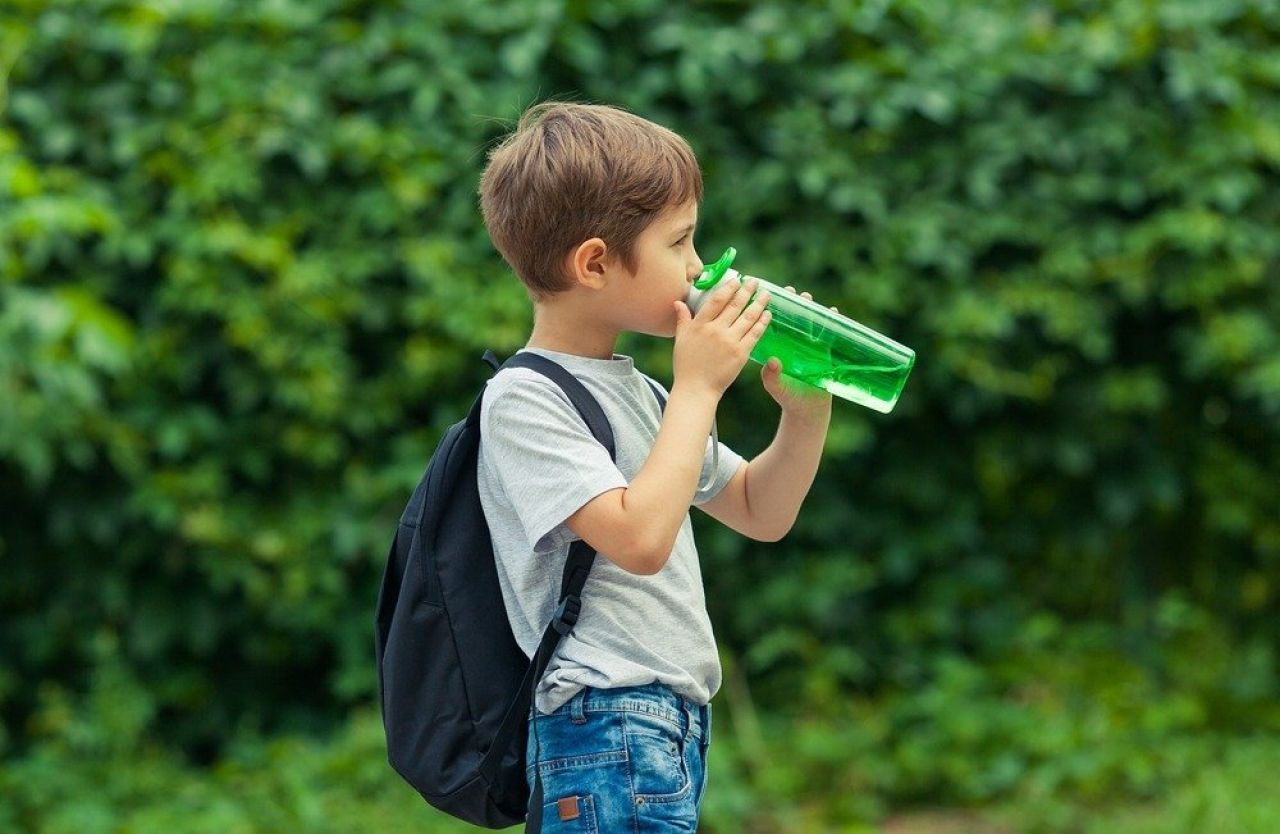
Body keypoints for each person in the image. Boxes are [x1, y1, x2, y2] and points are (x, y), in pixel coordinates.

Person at [476, 100, 832, 831]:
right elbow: (639, 541)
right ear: (596, 263)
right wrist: (700, 387)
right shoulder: (523, 399)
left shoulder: (642, 393)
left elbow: (760, 511)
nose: (700, 267)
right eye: (681, 242)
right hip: (604, 723)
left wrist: (804, 412)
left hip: (666, 726)